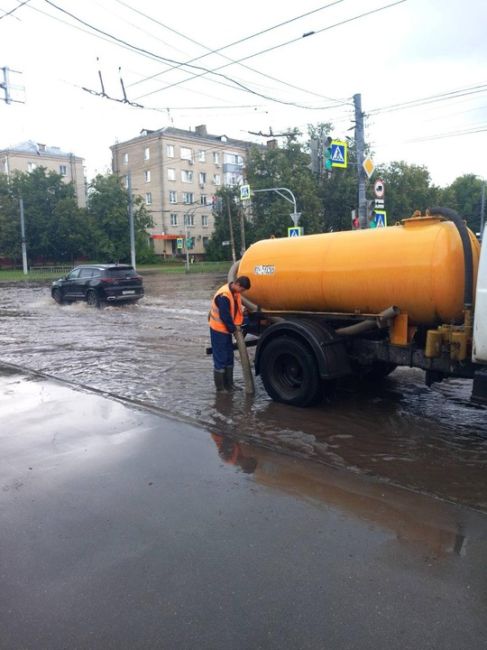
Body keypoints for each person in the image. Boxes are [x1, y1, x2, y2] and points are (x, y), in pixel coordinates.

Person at [208, 275, 251, 391]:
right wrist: (234, 330)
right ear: (237, 284)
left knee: (229, 357)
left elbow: (235, 310)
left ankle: (230, 385)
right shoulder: (224, 295)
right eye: (242, 289)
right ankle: (221, 388)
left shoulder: (235, 293)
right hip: (218, 330)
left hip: (226, 330)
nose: (242, 292)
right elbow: (225, 315)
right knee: (221, 358)